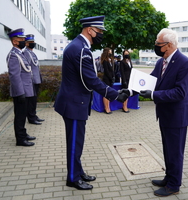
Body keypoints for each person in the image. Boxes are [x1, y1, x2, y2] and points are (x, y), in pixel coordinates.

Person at [53, 16, 129, 190]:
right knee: (74, 142)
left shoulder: (79, 46)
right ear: (90, 30)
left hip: (75, 102)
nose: (101, 34)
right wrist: (115, 95)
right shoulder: (81, 50)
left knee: (77, 141)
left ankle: (78, 172)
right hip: (74, 104)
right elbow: (90, 80)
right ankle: (72, 178)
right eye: (99, 31)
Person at [139, 28, 188, 197]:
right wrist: (131, 90)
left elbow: (180, 92)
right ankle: (169, 177)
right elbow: (150, 81)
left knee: (175, 152)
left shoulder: (184, 63)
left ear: (169, 45)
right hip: (165, 114)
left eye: (158, 44)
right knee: (168, 150)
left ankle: (174, 185)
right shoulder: (161, 61)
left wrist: (154, 95)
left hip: (177, 116)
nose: (155, 46)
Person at [6, 28, 36, 147]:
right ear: (15, 42)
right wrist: (20, 93)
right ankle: (20, 139)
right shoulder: (13, 55)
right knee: (19, 116)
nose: (24, 41)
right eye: (22, 39)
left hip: (26, 90)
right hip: (21, 91)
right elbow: (14, 75)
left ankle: (23, 134)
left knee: (23, 115)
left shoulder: (20, 54)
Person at [23, 34, 45, 125]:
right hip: (31, 80)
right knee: (31, 101)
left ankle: (34, 115)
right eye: (31, 42)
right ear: (26, 44)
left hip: (36, 79)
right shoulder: (26, 53)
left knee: (34, 100)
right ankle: (31, 118)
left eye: (33, 42)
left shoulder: (31, 52)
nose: (33, 43)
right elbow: (27, 67)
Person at [101, 47, 115, 114]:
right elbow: (106, 71)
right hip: (107, 79)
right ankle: (106, 108)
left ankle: (108, 107)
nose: (110, 54)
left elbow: (111, 70)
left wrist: (113, 76)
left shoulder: (110, 60)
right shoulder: (105, 61)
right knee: (106, 94)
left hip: (110, 79)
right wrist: (111, 78)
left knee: (108, 94)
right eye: (109, 53)